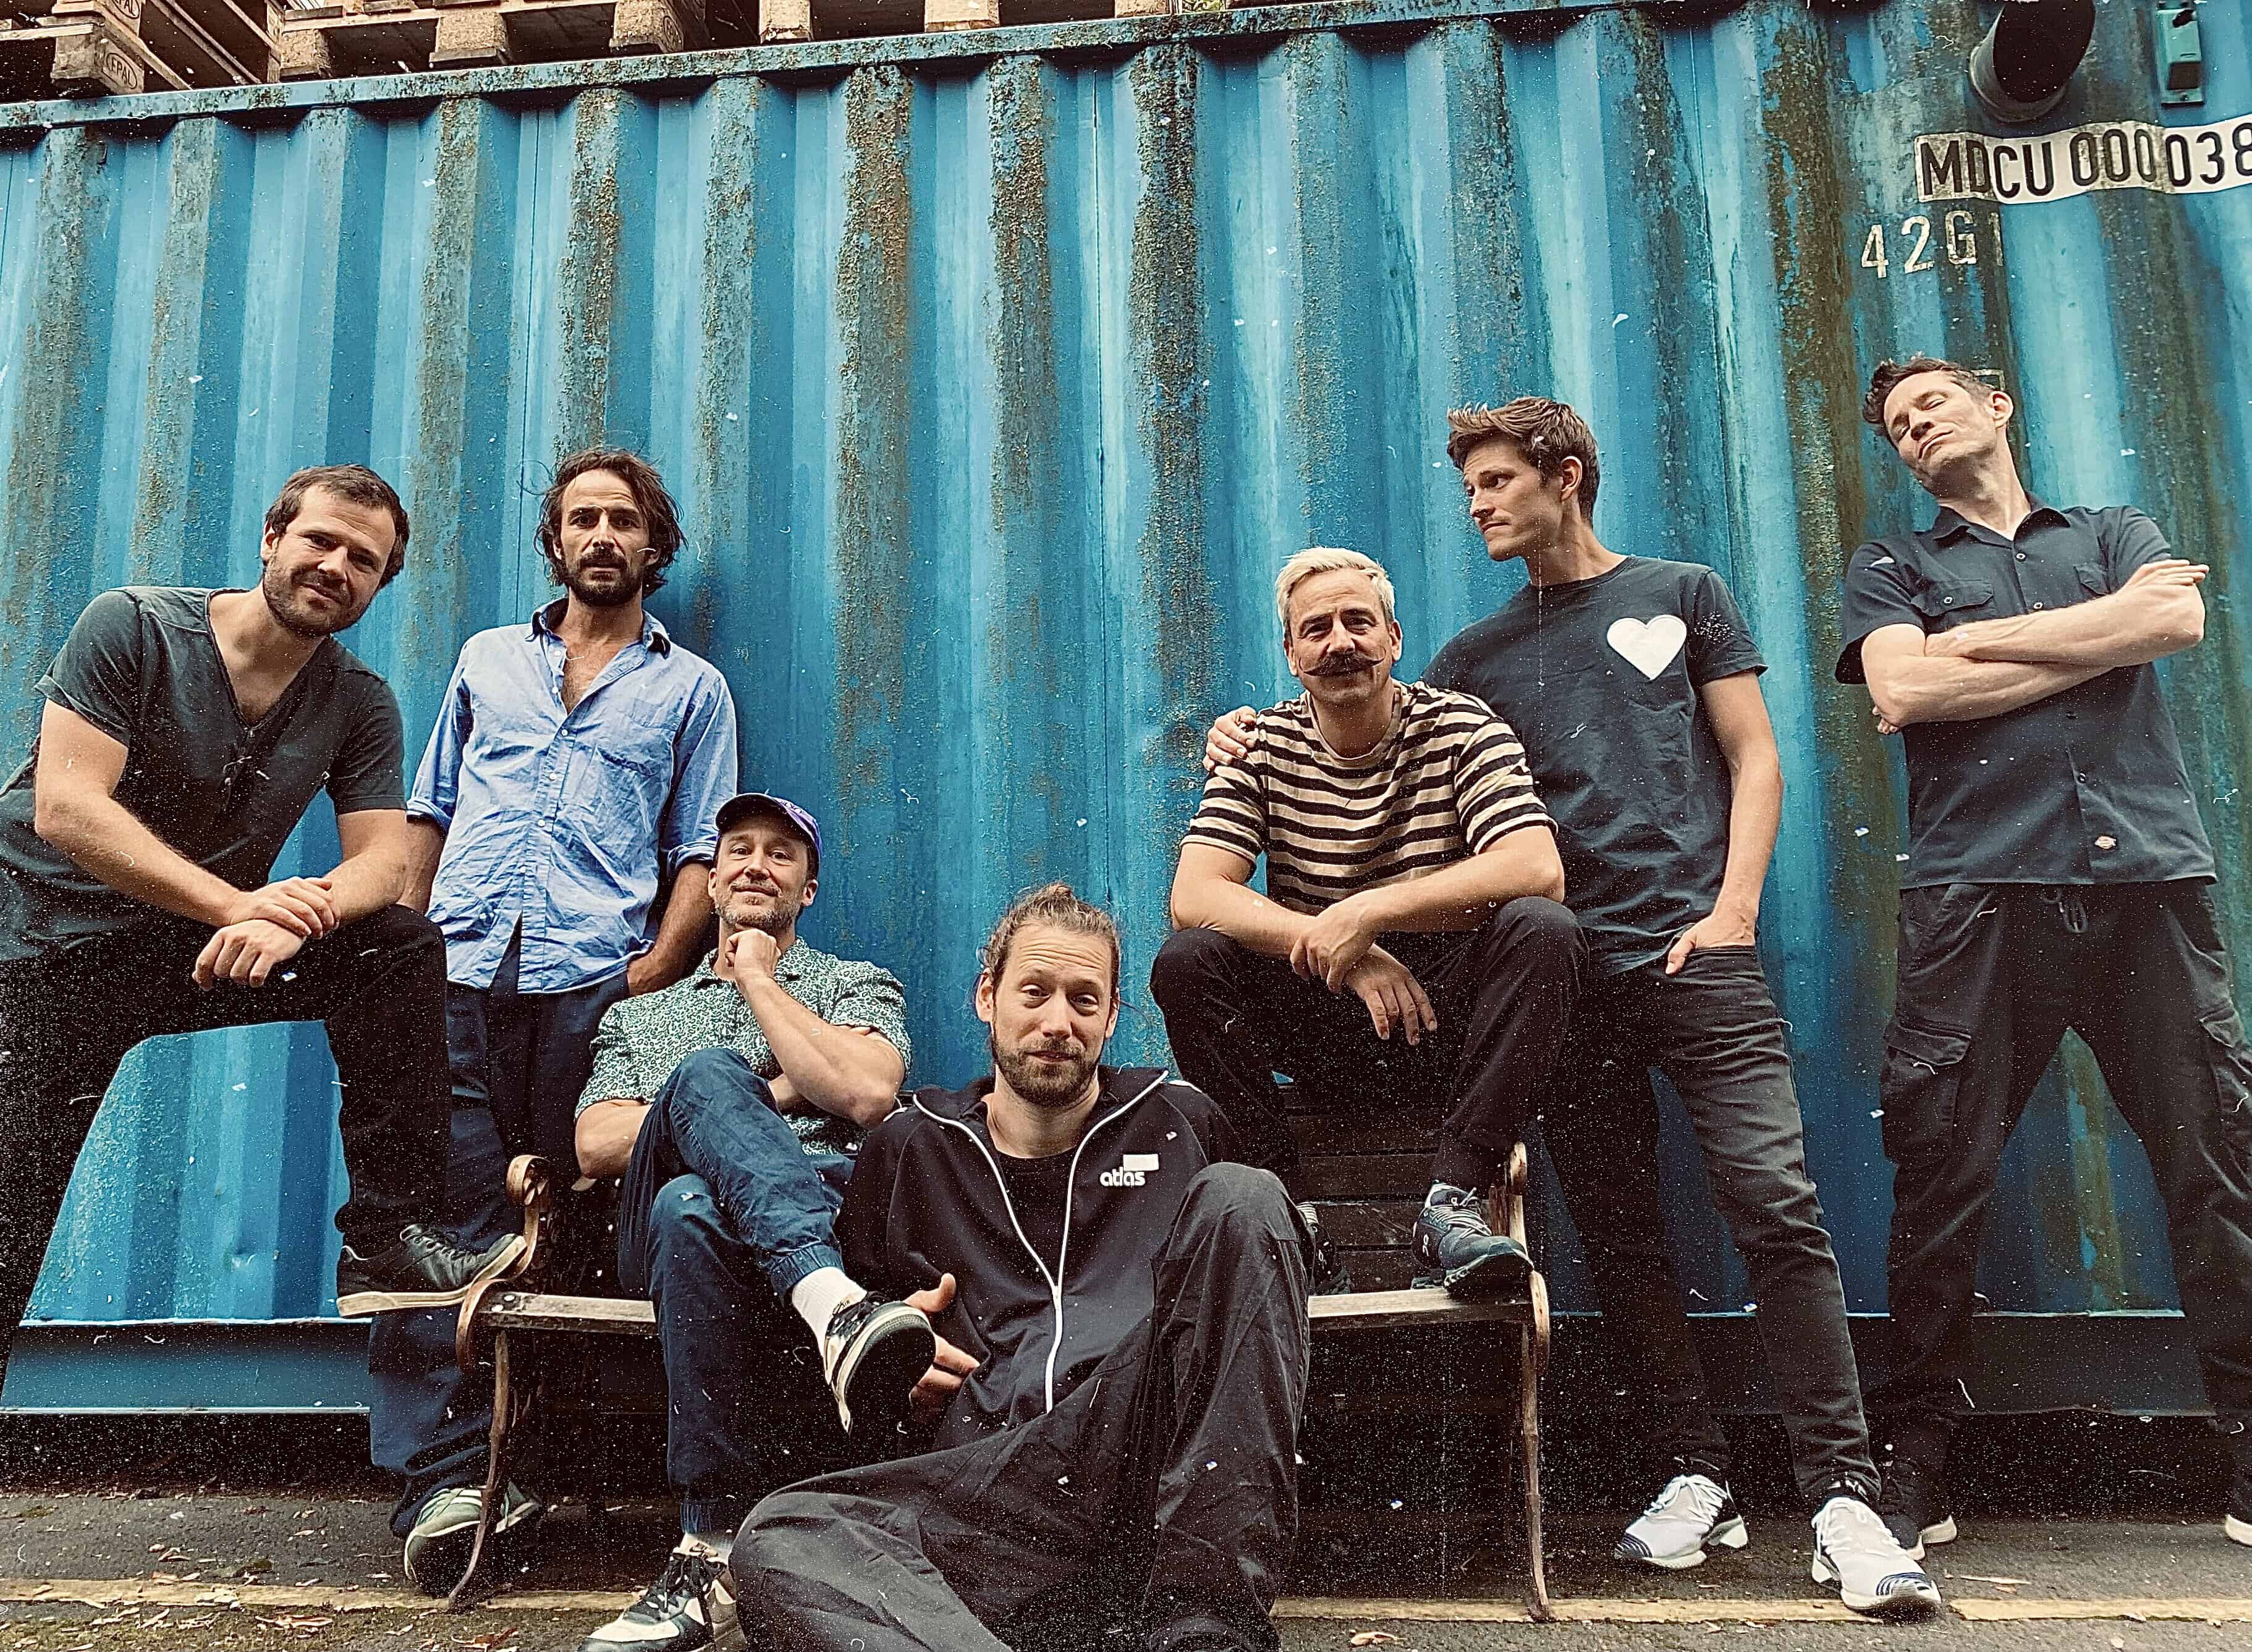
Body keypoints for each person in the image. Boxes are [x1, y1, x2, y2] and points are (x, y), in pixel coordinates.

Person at [1211, 402, 1939, 1617]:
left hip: (1693, 953)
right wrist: (1238, 730)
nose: (1478, 505)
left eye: (1497, 482)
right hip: (1562, 977)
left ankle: (1841, 1499)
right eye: (1470, 488)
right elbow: (1382, 738)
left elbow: (1753, 756)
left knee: (1772, 1202)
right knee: (1617, 1228)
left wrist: (1733, 911)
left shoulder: (1682, 593)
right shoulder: (1474, 656)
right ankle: (1695, 1470)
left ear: (1565, 476)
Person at [1840, 355, 2252, 1556]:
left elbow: (2172, 619)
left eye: (1930, 404)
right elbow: (1902, 694)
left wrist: (1973, 648)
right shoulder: (1890, 564)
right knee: (1940, 1177)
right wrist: (2096, 639)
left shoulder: (2112, 530)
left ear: (1996, 404)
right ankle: (1915, 1464)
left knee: (2215, 1167)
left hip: (2144, 889)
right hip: (1977, 900)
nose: (1913, 428)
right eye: (1896, 426)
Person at [0, 465, 519, 1396]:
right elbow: (68, 808)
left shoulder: (357, 700)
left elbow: (384, 862)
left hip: (183, 950)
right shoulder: (134, 626)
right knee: (11, 1223)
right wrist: (239, 905)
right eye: (321, 540)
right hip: (37, 950)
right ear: (272, 539)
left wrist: (298, 911)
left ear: (378, 586)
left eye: (364, 560)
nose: (337, 566)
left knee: (396, 946)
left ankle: (387, 1233)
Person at [732, 883, 1314, 1652]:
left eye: (1083, 1000)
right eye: (1033, 993)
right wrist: (893, 1362)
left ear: (1111, 1016)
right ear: (987, 997)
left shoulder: (1179, 1122)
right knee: (783, 1534)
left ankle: (1205, 1635)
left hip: (1142, 1471)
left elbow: (1256, 1303)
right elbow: (849, 1352)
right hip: (989, 1493)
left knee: (1247, 1195)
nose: (1056, 1023)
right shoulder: (911, 1146)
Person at [375, 449, 740, 1593]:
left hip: (589, 986)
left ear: (653, 546)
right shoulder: (488, 660)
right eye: (583, 518)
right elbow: (429, 808)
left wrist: (650, 971)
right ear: (557, 540)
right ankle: (442, 1485)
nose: (602, 536)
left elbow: (699, 847)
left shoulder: (692, 689)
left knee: (566, 1221)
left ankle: (532, 1470)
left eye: (623, 520)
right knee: (446, 1216)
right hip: (459, 971)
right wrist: (405, 948)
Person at [1153, 547, 1582, 1300]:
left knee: (1543, 929)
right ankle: (1290, 1215)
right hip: (1323, 1016)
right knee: (1187, 960)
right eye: (1315, 629)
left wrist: (1366, 912)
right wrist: (1341, 950)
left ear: (1394, 638)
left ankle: (1451, 1202)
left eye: (1358, 622)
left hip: (1439, 1023)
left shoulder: (1460, 727)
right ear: (1291, 655)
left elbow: (1534, 866)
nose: (1340, 642)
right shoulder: (1260, 746)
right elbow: (1194, 893)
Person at [570, 792, 920, 1652]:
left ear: (807, 889)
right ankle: (832, 1307)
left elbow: (868, 1091)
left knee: (691, 1201)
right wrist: (756, 1091)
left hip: (811, 1207)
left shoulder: (854, 983)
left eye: (780, 853)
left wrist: (759, 979)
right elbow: (595, 1139)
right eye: (739, 849)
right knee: (700, 1084)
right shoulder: (640, 1014)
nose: (757, 864)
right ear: (712, 879)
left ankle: (710, 1547)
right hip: (662, 1244)